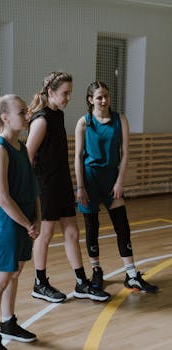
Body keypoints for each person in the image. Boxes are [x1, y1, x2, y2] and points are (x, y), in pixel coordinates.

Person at [26, 72, 110, 304]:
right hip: (46, 186)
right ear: (51, 92)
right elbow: (28, 156)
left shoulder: (58, 116)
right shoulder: (41, 119)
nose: (69, 97)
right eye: (65, 93)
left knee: (72, 232)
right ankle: (40, 283)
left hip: (61, 183)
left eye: (70, 93)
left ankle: (82, 282)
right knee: (45, 234)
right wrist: (34, 189)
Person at [75, 81, 158, 293]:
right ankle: (96, 270)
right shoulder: (84, 123)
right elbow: (77, 157)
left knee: (122, 226)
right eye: (99, 97)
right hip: (90, 179)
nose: (104, 100)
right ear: (90, 100)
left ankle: (131, 274)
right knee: (92, 228)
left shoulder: (120, 120)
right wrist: (80, 187)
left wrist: (120, 181)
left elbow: (126, 153)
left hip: (112, 180)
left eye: (106, 96)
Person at [0, 94, 41, 350]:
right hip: (5, 224)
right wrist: (28, 224)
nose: (27, 116)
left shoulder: (21, 146)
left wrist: (37, 216)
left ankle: (8, 322)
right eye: (22, 112)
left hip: (23, 221)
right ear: (5, 117)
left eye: (27, 111)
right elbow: (4, 199)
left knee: (14, 273)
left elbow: (31, 187)